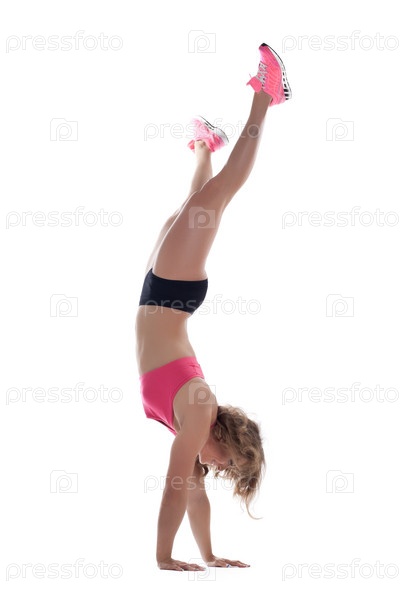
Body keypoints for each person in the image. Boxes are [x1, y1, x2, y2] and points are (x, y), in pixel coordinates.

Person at [135, 42, 292, 572]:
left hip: (158, 294)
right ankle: (266, 96)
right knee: (218, 196)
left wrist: (208, 554)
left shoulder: (194, 424)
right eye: (229, 466)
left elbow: (192, 494)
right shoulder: (200, 410)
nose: (219, 471)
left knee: (193, 208)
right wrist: (162, 557)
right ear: (225, 439)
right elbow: (174, 489)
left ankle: (206, 143)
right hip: (171, 295)